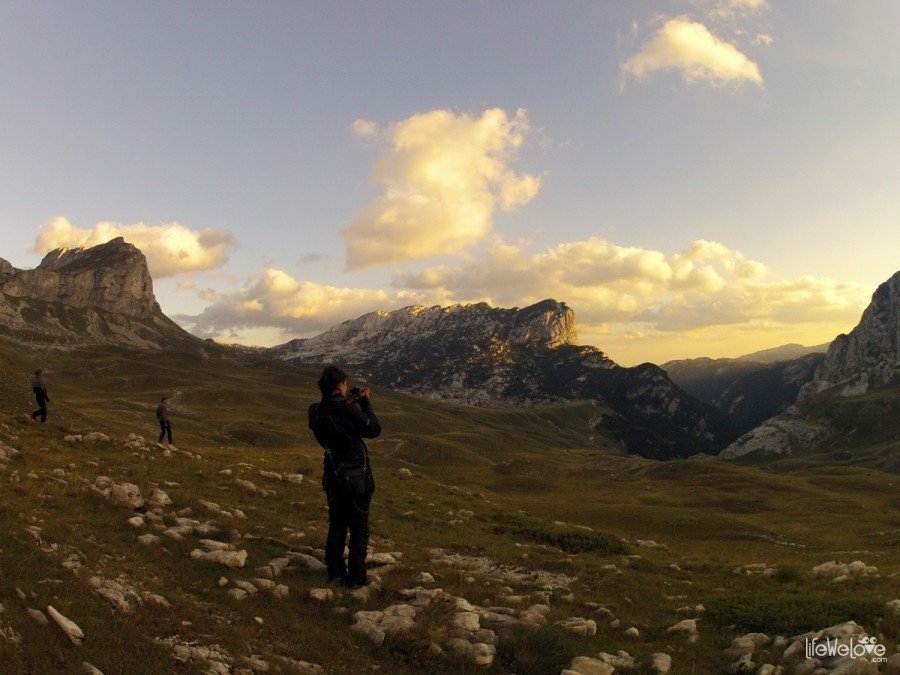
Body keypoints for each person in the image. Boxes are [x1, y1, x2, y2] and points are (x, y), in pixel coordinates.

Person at [308, 366, 381, 588]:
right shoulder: (347, 410)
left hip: (332, 475)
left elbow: (333, 421)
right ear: (340, 385)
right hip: (356, 477)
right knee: (359, 526)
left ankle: (336, 573)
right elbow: (374, 429)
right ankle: (357, 577)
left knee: (337, 523)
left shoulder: (315, 410)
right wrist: (364, 402)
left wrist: (346, 402)